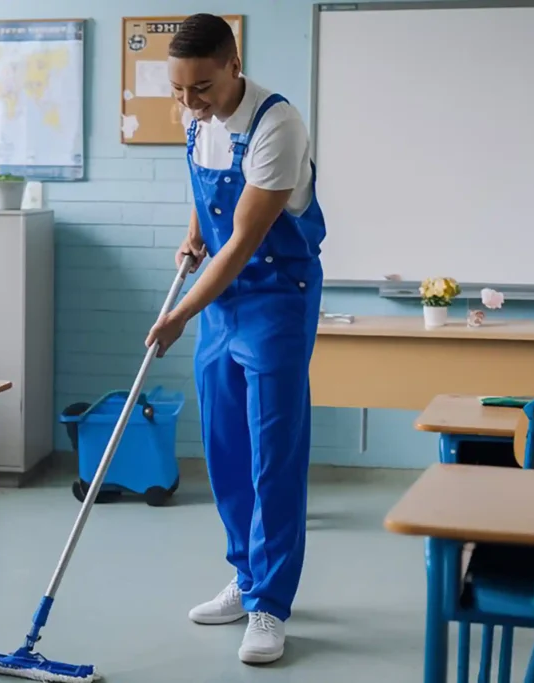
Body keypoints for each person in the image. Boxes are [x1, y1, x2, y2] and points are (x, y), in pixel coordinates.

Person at [144, 13, 326, 665]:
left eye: (200, 88)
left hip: (276, 296)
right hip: (224, 302)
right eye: (177, 90)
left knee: (272, 451)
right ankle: (247, 578)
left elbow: (243, 243)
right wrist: (193, 232)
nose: (188, 103)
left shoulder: (278, 125)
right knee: (224, 447)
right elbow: (205, 186)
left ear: (233, 66)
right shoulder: (198, 118)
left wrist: (179, 316)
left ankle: (272, 603)